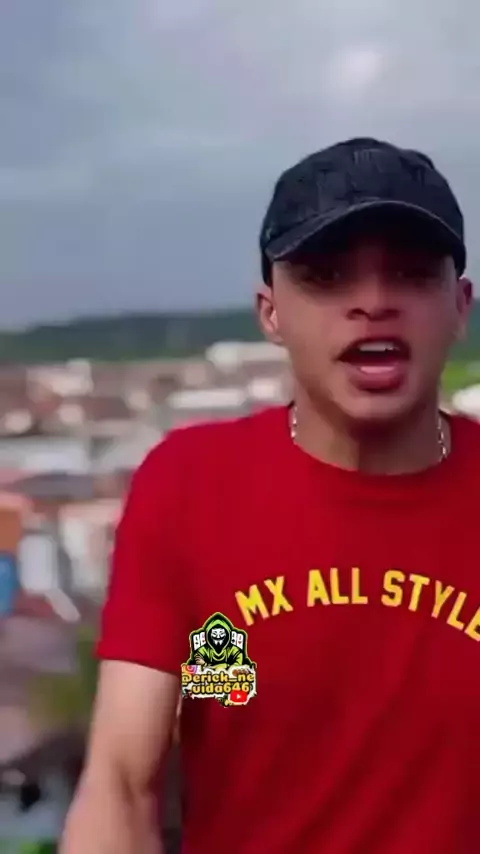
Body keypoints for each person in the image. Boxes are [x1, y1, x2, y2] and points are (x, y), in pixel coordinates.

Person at [60, 138, 480, 854]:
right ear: (270, 312)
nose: (373, 303)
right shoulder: (190, 486)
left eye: (411, 274)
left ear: (460, 306)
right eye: (327, 276)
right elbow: (122, 784)